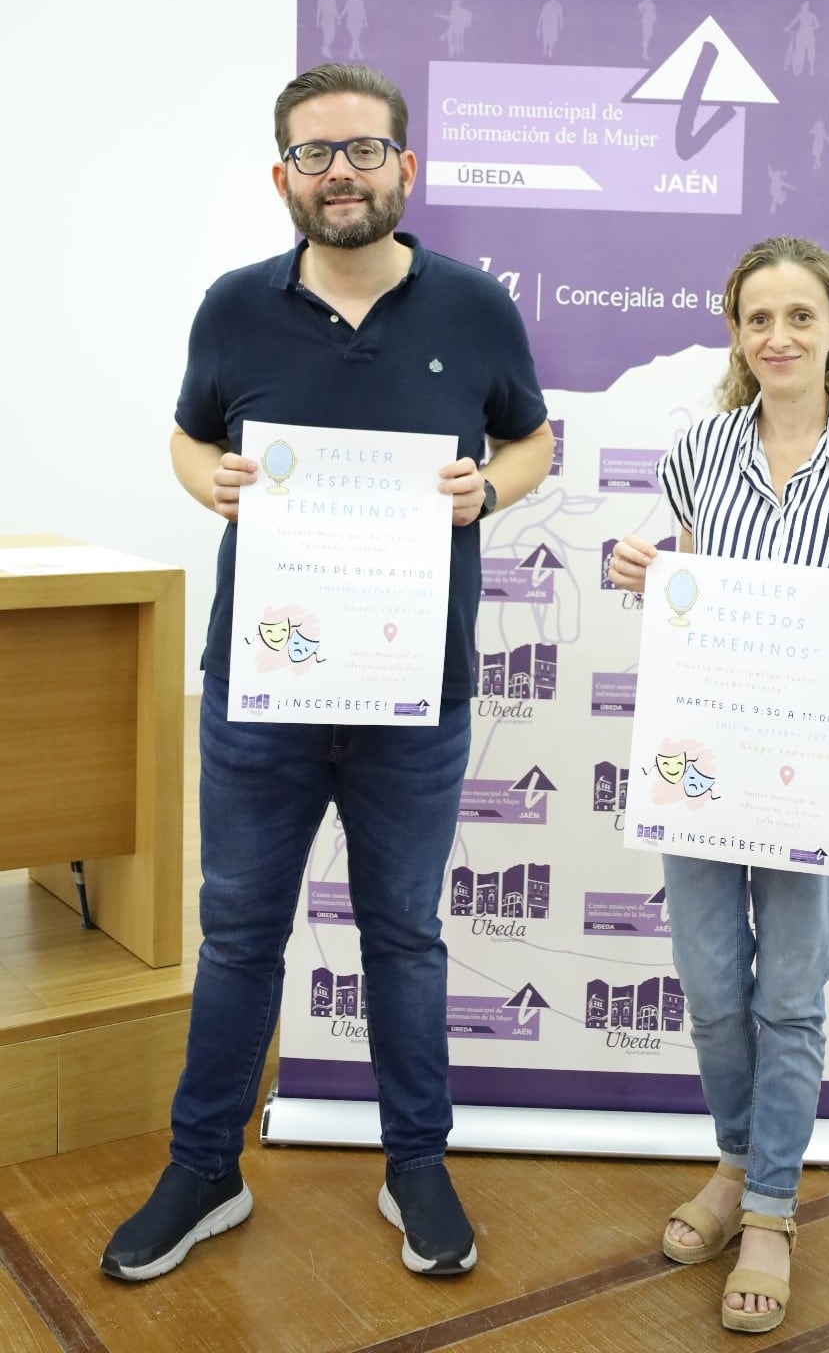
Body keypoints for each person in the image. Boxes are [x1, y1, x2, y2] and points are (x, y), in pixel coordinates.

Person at [101, 62, 553, 1283]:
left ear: (406, 165)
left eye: (361, 150)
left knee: (404, 933)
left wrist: (487, 488)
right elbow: (190, 432)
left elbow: (531, 438)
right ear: (282, 176)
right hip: (263, 690)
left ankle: (416, 1163)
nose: (338, 172)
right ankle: (206, 1167)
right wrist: (206, 478)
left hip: (415, 691)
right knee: (241, 934)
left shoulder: (475, 306)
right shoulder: (232, 307)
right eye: (314, 153)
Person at [609, 236, 829, 1334]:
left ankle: (766, 1209)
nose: (779, 336)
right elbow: (689, 588)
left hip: (818, 772)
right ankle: (736, 1159)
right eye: (759, 317)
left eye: (801, 315)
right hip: (704, 766)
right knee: (712, 987)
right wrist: (644, 574)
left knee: (789, 997)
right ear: (736, 333)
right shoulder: (702, 448)